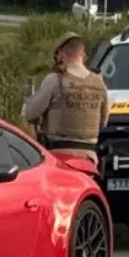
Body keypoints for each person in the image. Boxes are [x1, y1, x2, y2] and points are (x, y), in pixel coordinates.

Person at [22, 33, 109, 163]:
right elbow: (103, 122)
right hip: (89, 158)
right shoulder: (99, 83)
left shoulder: (55, 80)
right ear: (83, 55)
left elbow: (30, 114)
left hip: (58, 157)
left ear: (61, 55)